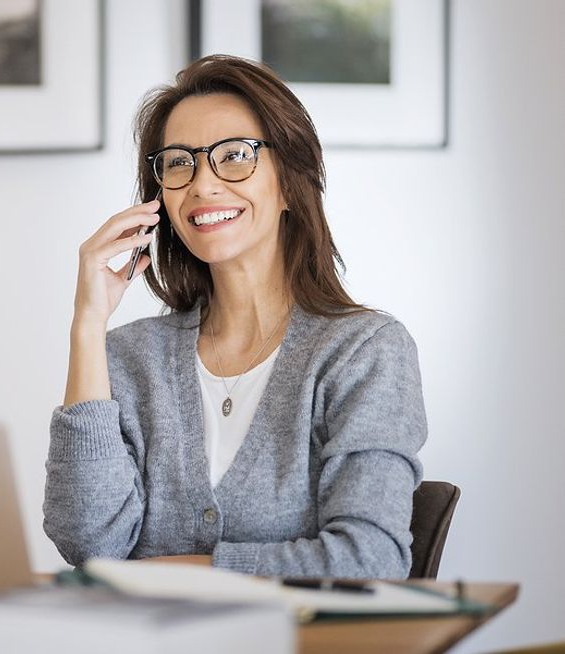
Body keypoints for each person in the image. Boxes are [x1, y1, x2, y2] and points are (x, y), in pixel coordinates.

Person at [42, 55, 427, 579]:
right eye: (179, 162)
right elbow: (89, 544)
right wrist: (87, 326)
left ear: (290, 181)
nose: (202, 185)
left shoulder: (364, 351)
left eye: (235, 156)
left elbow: (370, 560)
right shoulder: (131, 357)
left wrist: (180, 574)